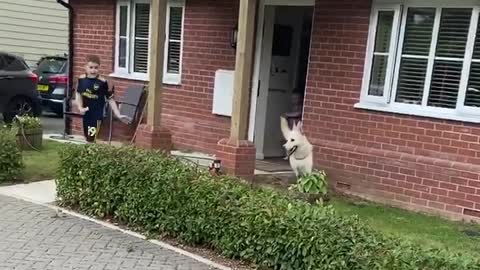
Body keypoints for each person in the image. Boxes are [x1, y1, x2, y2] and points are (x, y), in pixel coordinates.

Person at [75, 55, 130, 143]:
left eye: (96, 68)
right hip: (86, 113)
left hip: (97, 114)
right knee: (87, 137)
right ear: (85, 67)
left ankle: (90, 153)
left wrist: (118, 114)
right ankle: (90, 152)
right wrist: (80, 107)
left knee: (91, 138)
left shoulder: (102, 82)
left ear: (99, 67)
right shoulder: (81, 79)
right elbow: (78, 94)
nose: (93, 70)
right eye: (91, 67)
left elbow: (110, 99)